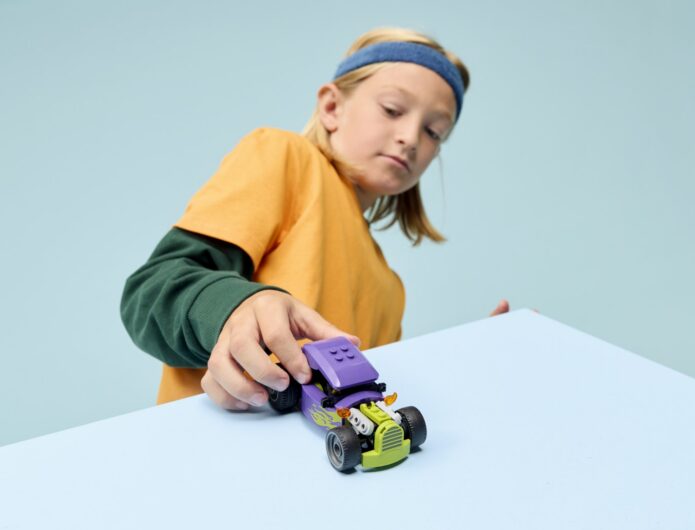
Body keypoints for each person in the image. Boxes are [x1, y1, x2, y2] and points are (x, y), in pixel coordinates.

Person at [121, 27, 509, 411]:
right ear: (331, 107)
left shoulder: (390, 290)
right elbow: (151, 291)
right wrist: (234, 309)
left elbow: (370, 402)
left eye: (434, 132)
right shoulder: (285, 158)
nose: (410, 137)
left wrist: (462, 358)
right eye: (392, 110)